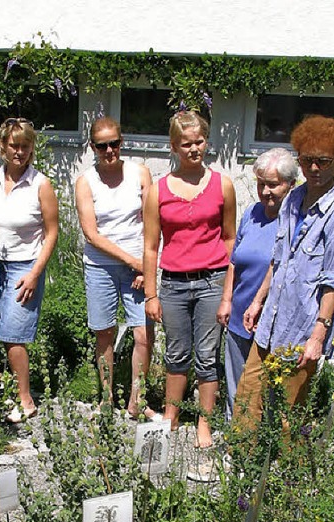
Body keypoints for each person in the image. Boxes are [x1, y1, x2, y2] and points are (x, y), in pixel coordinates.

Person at [232, 115, 334, 433]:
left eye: (323, 161)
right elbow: (278, 259)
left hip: (302, 333)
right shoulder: (293, 200)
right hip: (270, 323)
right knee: (247, 403)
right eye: (307, 160)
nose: (314, 169)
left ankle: (290, 481)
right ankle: (240, 474)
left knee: (289, 418)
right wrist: (257, 302)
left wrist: (318, 337)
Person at [143, 110, 236, 445]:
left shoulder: (222, 185)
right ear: (173, 146)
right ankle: (171, 415)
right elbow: (151, 246)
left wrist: (227, 290)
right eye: (186, 144)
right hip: (173, 284)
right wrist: (151, 294)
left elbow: (229, 239)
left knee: (208, 355)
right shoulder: (159, 190)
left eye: (199, 141)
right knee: (176, 353)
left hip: (212, 280)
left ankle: (205, 422)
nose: (194, 149)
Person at [0, 118, 59, 422]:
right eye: (14, 145)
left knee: (14, 334)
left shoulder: (40, 184)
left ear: (32, 148)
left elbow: (52, 233)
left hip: (24, 266)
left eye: (25, 146)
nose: (19, 151)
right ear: (3, 147)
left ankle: (25, 399)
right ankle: (11, 389)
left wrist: (35, 273)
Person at [75, 116, 157, 418]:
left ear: (121, 142)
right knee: (104, 333)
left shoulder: (140, 173)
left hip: (138, 267)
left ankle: (139, 400)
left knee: (144, 334)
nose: (109, 151)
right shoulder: (86, 182)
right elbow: (91, 234)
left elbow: (152, 222)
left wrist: (144, 267)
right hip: (101, 267)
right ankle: (107, 398)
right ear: (92, 147)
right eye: (102, 146)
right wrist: (132, 261)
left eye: (114, 144)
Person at [216, 148, 297, 419]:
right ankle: (234, 440)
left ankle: (263, 448)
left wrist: (259, 302)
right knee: (237, 384)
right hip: (240, 314)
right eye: (261, 183)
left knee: (269, 389)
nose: (265, 191)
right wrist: (227, 299)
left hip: (273, 321)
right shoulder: (252, 213)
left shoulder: (296, 222)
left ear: (290, 185)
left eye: (273, 185)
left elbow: (281, 266)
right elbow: (234, 260)